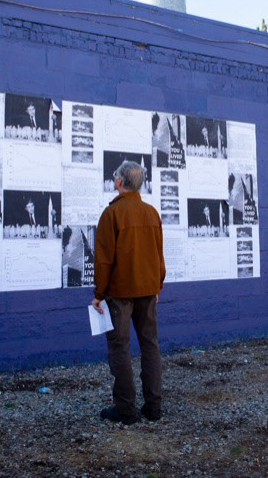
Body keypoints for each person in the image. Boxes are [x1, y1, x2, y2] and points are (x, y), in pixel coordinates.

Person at [92, 160, 166, 424]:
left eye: (115, 176)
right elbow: (158, 255)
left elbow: (103, 260)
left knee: (119, 347)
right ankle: (154, 407)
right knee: (150, 345)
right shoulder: (151, 213)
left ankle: (125, 409)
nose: (114, 179)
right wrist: (157, 285)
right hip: (148, 290)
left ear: (119, 181)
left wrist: (99, 293)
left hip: (120, 293)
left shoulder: (111, 214)